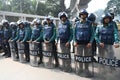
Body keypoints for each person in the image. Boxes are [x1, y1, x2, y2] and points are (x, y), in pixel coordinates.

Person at [95, 13, 119, 79]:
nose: (107, 20)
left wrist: (116, 41)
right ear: (103, 19)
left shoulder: (112, 26)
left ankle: (112, 71)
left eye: (108, 19)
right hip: (101, 46)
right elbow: (95, 36)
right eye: (105, 19)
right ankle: (102, 71)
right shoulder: (99, 26)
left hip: (110, 45)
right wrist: (99, 42)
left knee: (111, 58)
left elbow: (116, 33)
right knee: (102, 58)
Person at [74, 9, 94, 77]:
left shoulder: (90, 23)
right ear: (80, 15)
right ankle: (80, 68)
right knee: (79, 56)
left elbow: (92, 34)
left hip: (87, 43)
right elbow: (74, 33)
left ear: (86, 15)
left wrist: (90, 42)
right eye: (82, 14)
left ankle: (86, 69)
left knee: (86, 57)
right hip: (78, 43)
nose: (83, 15)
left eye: (84, 14)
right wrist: (75, 41)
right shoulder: (77, 23)